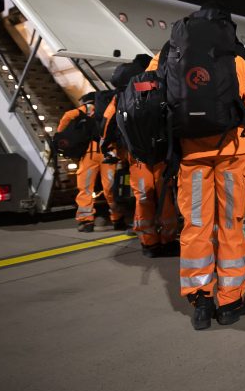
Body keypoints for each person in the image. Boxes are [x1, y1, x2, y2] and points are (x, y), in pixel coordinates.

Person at [148, 2, 245, 330]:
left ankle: (200, 300)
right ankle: (230, 302)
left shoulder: (170, 52)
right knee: (231, 224)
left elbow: (150, 93)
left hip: (190, 154)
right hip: (232, 151)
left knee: (196, 224)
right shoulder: (243, 56)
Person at [102, 55, 178, 257]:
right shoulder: (157, 84)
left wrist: (107, 146)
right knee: (165, 197)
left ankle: (149, 242)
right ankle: (168, 240)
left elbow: (107, 123)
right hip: (161, 153)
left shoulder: (122, 93)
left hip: (136, 155)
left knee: (143, 197)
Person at [56, 92, 124, 232]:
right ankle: (117, 218)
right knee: (111, 189)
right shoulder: (111, 107)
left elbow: (67, 116)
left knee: (85, 188)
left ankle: (86, 222)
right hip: (109, 152)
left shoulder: (88, 109)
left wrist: (60, 136)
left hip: (90, 154)